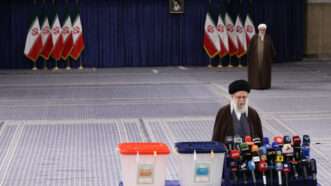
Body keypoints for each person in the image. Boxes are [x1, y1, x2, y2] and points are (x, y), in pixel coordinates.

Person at [247, 23, 276, 89]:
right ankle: (255, 85)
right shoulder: (254, 37)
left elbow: (271, 48)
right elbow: (250, 49)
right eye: (261, 30)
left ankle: (264, 85)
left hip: (266, 60)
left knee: (264, 72)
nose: (262, 31)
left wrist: (272, 56)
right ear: (259, 30)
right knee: (256, 72)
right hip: (255, 59)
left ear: (265, 30)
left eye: (263, 30)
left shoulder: (268, 38)